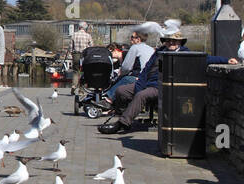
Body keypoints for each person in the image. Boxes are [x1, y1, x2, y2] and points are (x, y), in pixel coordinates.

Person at [100, 32, 237, 132]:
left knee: (142, 95)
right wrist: (139, 86)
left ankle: (122, 123)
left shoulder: (184, 53)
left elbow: (205, 59)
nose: (171, 43)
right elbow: (146, 70)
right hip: (147, 83)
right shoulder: (158, 52)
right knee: (121, 90)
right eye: (169, 41)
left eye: (175, 41)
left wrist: (225, 60)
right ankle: (126, 114)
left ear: (180, 43)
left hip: (162, 86)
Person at [69, 21, 93, 93]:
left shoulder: (74, 35)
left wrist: (71, 53)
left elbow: (70, 46)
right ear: (85, 28)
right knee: (83, 72)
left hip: (76, 54)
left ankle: (74, 85)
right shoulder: (88, 36)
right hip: (84, 55)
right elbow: (91, 47)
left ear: (79, 27)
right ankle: (81, 90)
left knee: (76, 71)